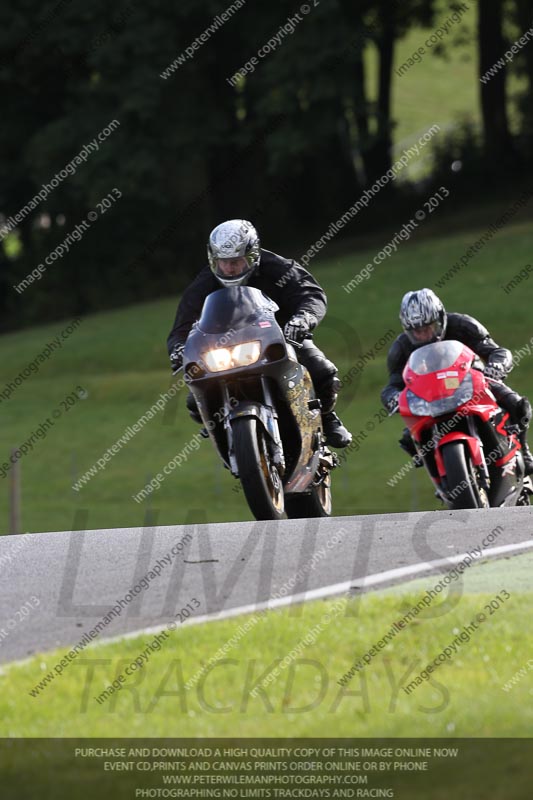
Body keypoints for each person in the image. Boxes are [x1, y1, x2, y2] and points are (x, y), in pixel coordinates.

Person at [167, 219, 352, 448]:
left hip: (283, 338)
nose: (229, 268)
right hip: (224, 351)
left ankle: (327, 418)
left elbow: (310, 294)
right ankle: (224, 432)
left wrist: (302, 319)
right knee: (195, 401)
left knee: (321, 370)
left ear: (252, 255)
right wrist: (178, 348)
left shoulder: (278, 268)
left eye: (235, 262)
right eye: (223, 262)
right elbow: (181, 326)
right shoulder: (204, 283)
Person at [381, 288, 533, 474]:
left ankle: (524, 451)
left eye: (429, 327)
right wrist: (393, 398)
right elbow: (393, 385)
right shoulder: (401, 347)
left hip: (472, 383)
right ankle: (440, 474)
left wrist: (496, 367)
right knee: (408, 438)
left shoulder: (463, 325)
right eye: (417, 332)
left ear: (441, 318)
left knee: (516, 403)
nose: (424, 335)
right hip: (430, 397)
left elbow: (497, 351)